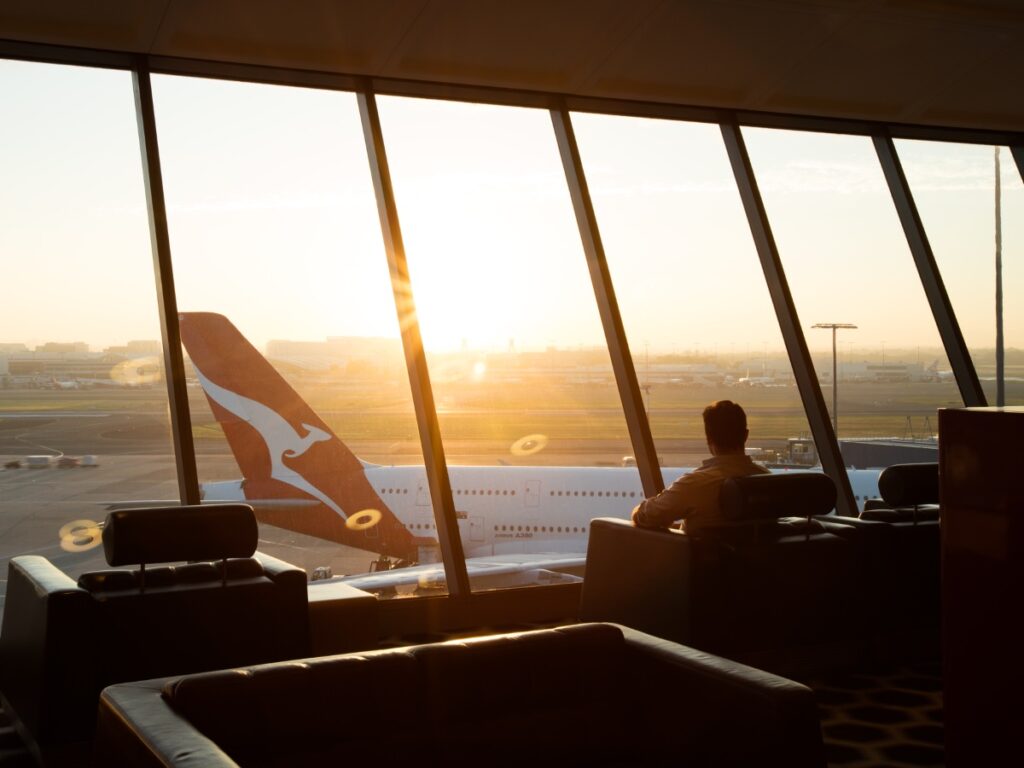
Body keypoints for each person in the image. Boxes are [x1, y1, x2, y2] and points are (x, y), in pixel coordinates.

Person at [631, 400, 769, 530]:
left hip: (703, 555)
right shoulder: (767, 481)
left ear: (709, 439)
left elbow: (645, 516)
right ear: (745, 436)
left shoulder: (695, 484)